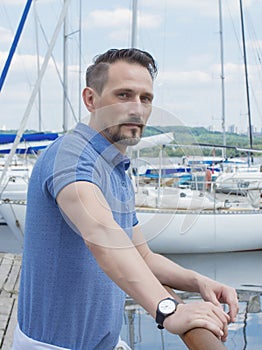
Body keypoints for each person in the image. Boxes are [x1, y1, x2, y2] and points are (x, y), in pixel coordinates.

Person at [13, 48, 238, 350]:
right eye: (124, 95)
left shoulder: (115, 169)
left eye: (145, 98)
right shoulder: (72, 155)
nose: (137, 109)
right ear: (91, 99)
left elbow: (142, 256)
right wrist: (170, 309)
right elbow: (101, 235)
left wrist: (197, 282)